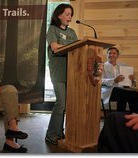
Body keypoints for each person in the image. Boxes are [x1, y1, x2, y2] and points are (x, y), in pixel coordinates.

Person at [45, 3, 78, 145]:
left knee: (67, 104)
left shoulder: (72, 33)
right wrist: (71, 46)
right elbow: (54, 46)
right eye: (67, 14)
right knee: (61, 103)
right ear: (59, 15)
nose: (70, 17)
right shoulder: (52, 29)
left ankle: (59, 131)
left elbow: (79, 49)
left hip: (71, 72)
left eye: (71, 14)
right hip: (58, 71)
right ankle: (51, 133)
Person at [101, 47, 138, 113]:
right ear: (107, 55)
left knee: (134, 93)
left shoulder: (124, 66)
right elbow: (100, 81)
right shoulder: (102, 66)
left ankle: (135, 117)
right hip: (109, 91)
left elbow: (132, 84)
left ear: (117, 55)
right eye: (109, 53)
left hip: (122, 90)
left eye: (114, 53)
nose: (111, 55)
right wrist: (114, 80)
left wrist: (133, 80)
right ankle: (120, 117)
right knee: (121, 92)